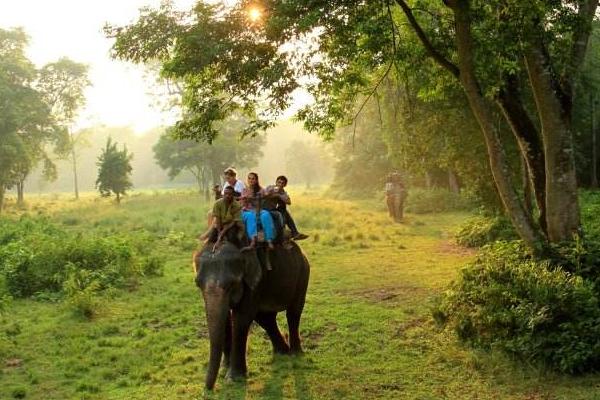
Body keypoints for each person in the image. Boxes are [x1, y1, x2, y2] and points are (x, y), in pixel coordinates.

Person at [264, 175, 308, 240]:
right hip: (264, 209)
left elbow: (289, 202)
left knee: (283, 209)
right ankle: (292, 232)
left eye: (282, 183)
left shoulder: (282, 192)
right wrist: (274, 193)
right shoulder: (270, 187)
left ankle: (294, 233)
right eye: (279, 182)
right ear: (276, 182)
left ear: (285, 185)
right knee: (281, 211)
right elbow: (265, 194)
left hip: (272, 210)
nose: (280, 184)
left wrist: (279, 195)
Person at [240, 172, 275, 250]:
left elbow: (266, 194)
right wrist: (245, 200)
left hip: (259, 210)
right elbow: (242, 204)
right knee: (251, 216)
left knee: (266, 215)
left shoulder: (260, 189)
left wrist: (270, 191)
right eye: (249, 178)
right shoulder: (244, 190)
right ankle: (253, 240)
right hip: (247, 210)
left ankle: (269, 240)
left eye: (253, 179)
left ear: (256, 180)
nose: (251, 180)